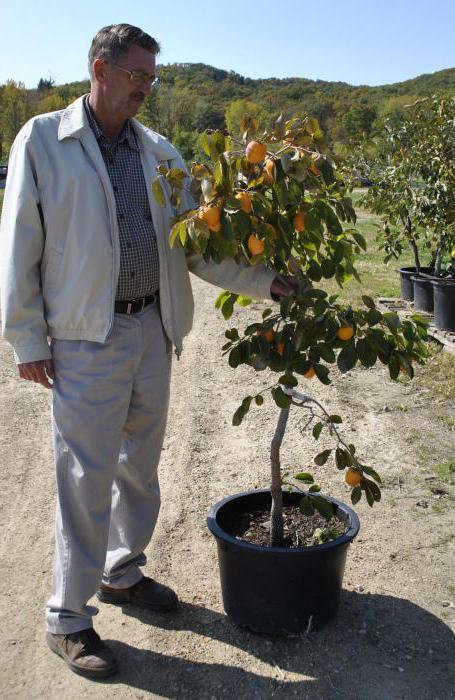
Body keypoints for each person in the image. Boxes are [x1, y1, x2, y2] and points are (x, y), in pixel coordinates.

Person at [0, 24, 301, 679]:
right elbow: (19, 241)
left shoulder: (161, 153)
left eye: (151, 78)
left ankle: (121, 571)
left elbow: (197, 245)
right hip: (85, 335)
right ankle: (68, 618)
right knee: (86, 474)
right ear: (100, 69)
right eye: (136, 74)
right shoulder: (47, 140)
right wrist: (26, 337)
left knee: (140, 466)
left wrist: (264, 280)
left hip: (150, 329)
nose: (145, 87)